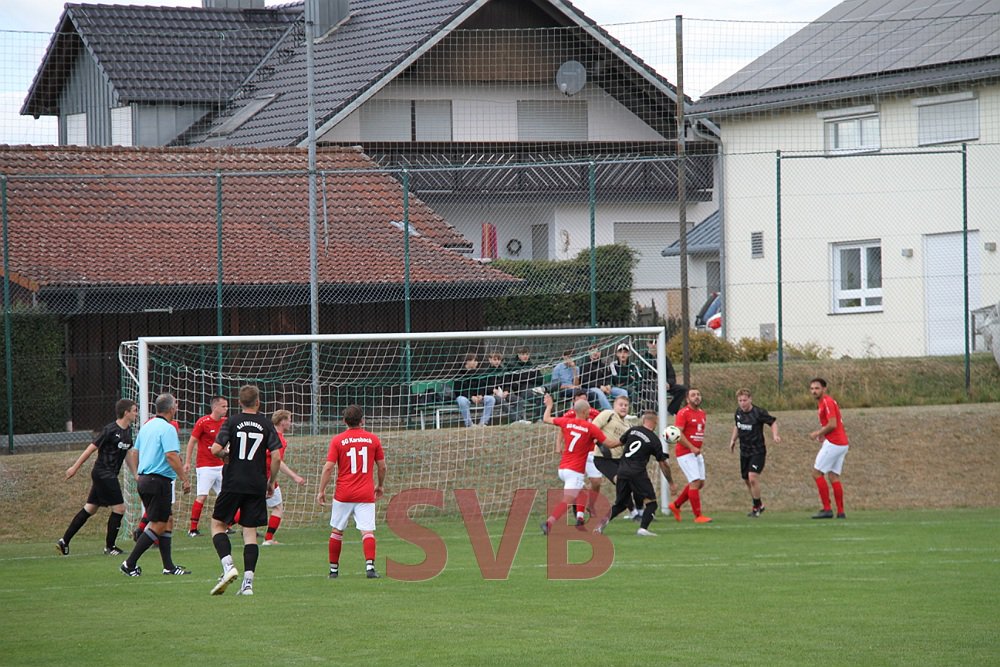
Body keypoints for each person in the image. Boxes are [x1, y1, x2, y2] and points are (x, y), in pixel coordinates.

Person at [208, 384, 282, 596]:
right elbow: (276, 457)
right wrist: (271, 482)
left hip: (233, 481)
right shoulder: (266, 424)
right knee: (250, 532)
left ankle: (228, 566)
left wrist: (225, 456)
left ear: (239, 403)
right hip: (256, 483)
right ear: (258, 402)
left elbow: (215, 449)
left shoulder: (232, 421)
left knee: (218, 524)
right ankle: (248, 584)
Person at [119, 393, 192, 577]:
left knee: (167, 520)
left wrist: (138, 474)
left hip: (145, 480)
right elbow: (171, 456)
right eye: (176, 405)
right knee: (158, 524)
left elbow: (135, 452)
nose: (177, 408)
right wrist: (184, 478)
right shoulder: (168, 429)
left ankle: (169, 567)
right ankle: (129, 563)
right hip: (158, 481)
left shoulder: (147, 426)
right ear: (171, 409)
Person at [57, 399, 139, 557]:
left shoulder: (128, 431)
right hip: (103, 473)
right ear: (126, 412)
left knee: (90, 508)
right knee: (120, 509)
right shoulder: (109, 430)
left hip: (108, 474)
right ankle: (110, 547)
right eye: (135, 410)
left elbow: (128, 454)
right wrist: (74, 467)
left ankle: (64, 541)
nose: (137, 414)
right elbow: (90, 449)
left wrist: (135, 474)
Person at [316, 404, 387, 579]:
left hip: (343, 493)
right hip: (365, 493)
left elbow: (328, 467)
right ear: (362, 420)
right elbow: (382, 466)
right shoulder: (373, 439)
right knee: (367, 531)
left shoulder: (338, 440)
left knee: (337, 531)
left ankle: (333, 571)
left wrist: (321, 490)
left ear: (344, 421)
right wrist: (380, 485)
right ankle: (370, 568)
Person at [540, 393, 620, 534]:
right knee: (568, 499)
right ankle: (549, 523)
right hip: (575, 470)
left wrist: (549, 406)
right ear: (584, 411)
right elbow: (609, 444)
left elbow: (546, 419)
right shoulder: (590, 427)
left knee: (582, 491)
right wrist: (624, 440)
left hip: (563, 468)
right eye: (588, 410)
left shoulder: (566, 422)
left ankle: (580, 518)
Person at [595, 410, 676, 536]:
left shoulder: (632, 431)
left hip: (622, 471)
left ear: (643, 420)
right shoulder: (654, 440)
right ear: (655, 422)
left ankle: (599, 527)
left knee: (620, 504)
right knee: (652, 503)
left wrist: (599, 441)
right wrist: (671, 482)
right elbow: (663, 464)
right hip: (637, 473)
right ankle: (643, 529)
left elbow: (614, 444)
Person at [592, 394, 644, 521]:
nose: (623, 407)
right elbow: (593, 428)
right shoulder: (608, 415)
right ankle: (633, 513)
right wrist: (600, 444)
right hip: (603, 458)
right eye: (621, 405)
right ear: (614, 406)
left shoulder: (628, 425)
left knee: (632, 482)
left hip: (620, 459)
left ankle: (639, 511)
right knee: (621, 481)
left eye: (626, 405)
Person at [730, 388, 780, 517]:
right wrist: (733, 440)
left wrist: (775, 435)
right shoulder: (738, 412)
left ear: (750, 399)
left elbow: (773, 422)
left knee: (752, 477)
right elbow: (737, 425)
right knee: (747, 479)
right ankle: (759, 504)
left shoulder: (758, 412)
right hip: (744, 451)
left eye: (745, 400)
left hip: (757, 451)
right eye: (740, 400)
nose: (742, 403)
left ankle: (756, 507)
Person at [183, 396, 228, 537]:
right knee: (202, 496)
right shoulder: (203, 422)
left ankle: (226, 525)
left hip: (222, 466)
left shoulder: (226, 422)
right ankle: (192, 529)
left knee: (226, 496)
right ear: (215, 407)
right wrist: (187, 462)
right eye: (223, 406)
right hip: (205, 466)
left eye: (226, 406)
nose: (226, 409)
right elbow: (192, 442)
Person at [668, 388, 712, 524]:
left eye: (698, 394)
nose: (696, 397)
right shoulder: (683, 413)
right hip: (685, 452)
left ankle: (676, 505)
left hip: (696, 452)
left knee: (700, 483)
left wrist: (696, 448)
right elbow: (678, 434)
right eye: (693, 395)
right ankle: (698, 516)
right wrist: (691, 447)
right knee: (695, 482)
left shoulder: (702, 413)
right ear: (687, 399)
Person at [262, 409, 307, 545]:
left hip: (254, 475)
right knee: (277, 507)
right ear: (282, 422)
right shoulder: (279, 439)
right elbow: (277, 461)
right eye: (289, 420)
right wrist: (294, 477)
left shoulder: (266, 435)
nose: (290, 423)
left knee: (250, 506)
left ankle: (223, 526)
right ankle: (268, 539)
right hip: (267, 478)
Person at [808, 378, 849, 519]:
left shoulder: (827, 401)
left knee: (816, 473)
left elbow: (832, 424)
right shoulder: (824, 402)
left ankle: (827, 509)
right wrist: (823, 434)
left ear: (824, 389)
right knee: (833, 476)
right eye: (812, 388)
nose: (814, 391)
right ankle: (841, 512)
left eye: (817, 388)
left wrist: (818, 433)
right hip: (841, 443)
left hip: (834, 443)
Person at [643, 338, 688, 415]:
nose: (653, 345)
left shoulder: (664, 359)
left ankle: (670, 411)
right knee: (651, 390)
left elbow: (672, 375)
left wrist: (668, 383)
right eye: (651, 342)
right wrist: (657, 383)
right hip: (650, 385)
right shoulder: (643, 359)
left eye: (655, 342)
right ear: (647, 344)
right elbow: (644, 376)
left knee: (682, 389)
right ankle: (655, 412)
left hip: (665, 385)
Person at [453, 353, 495, 427]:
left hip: (477, 398)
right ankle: (469, 424)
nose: (476, 363)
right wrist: (470, 397)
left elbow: (482, 386)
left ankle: (483, 422)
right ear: (467, 361)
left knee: (491, 399)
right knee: (461, 400)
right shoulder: (459, 374)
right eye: (474, 360)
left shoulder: (479, 373)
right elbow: (458, 390)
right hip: (465, 397)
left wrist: (480, 395)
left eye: (477, 361)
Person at [579, 346, 627, 411]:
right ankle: (611, 413)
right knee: (599, 392)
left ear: (600, 353)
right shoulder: (585, 366)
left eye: (597, 351)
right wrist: (600, 386)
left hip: (605, 387)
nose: (595, 353)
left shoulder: (603, 365)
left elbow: (608, 377)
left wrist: (608, 385)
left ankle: (622, 411)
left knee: (623, 392)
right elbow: (585, 382)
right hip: (592, 388)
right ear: (589, 353)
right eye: (592, 351)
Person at [505, 346, 543, 423]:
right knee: (538, 396)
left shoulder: (532, 366)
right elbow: (511, 381)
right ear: (518, 355)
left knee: (544, 396)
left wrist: (526, 378)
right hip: (522, 390)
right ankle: (537, 419)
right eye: (523, 354)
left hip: (534, 388)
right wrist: (528, 378)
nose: (525, 356)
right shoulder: (512, 366)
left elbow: (540, 379)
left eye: (527, 354)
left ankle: (539, 418)